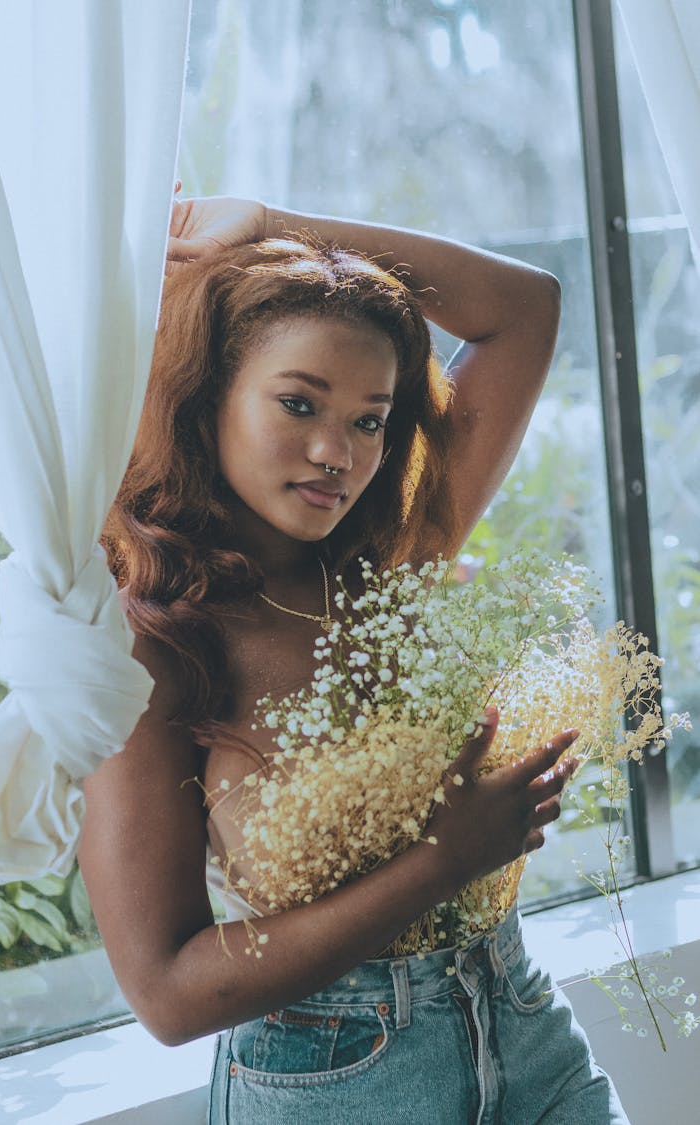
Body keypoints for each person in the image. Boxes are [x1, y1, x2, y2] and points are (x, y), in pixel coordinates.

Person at [79, 195, 630, 1123]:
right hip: (337, 1080)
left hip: (526, 1032)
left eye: (371, 420)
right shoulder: (158, 643)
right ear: (210, 398)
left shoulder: (394, 559)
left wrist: (264, 223)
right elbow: (168, 993)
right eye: (298, 403)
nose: (337, 451)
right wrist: (443, 858)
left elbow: (525, 307)